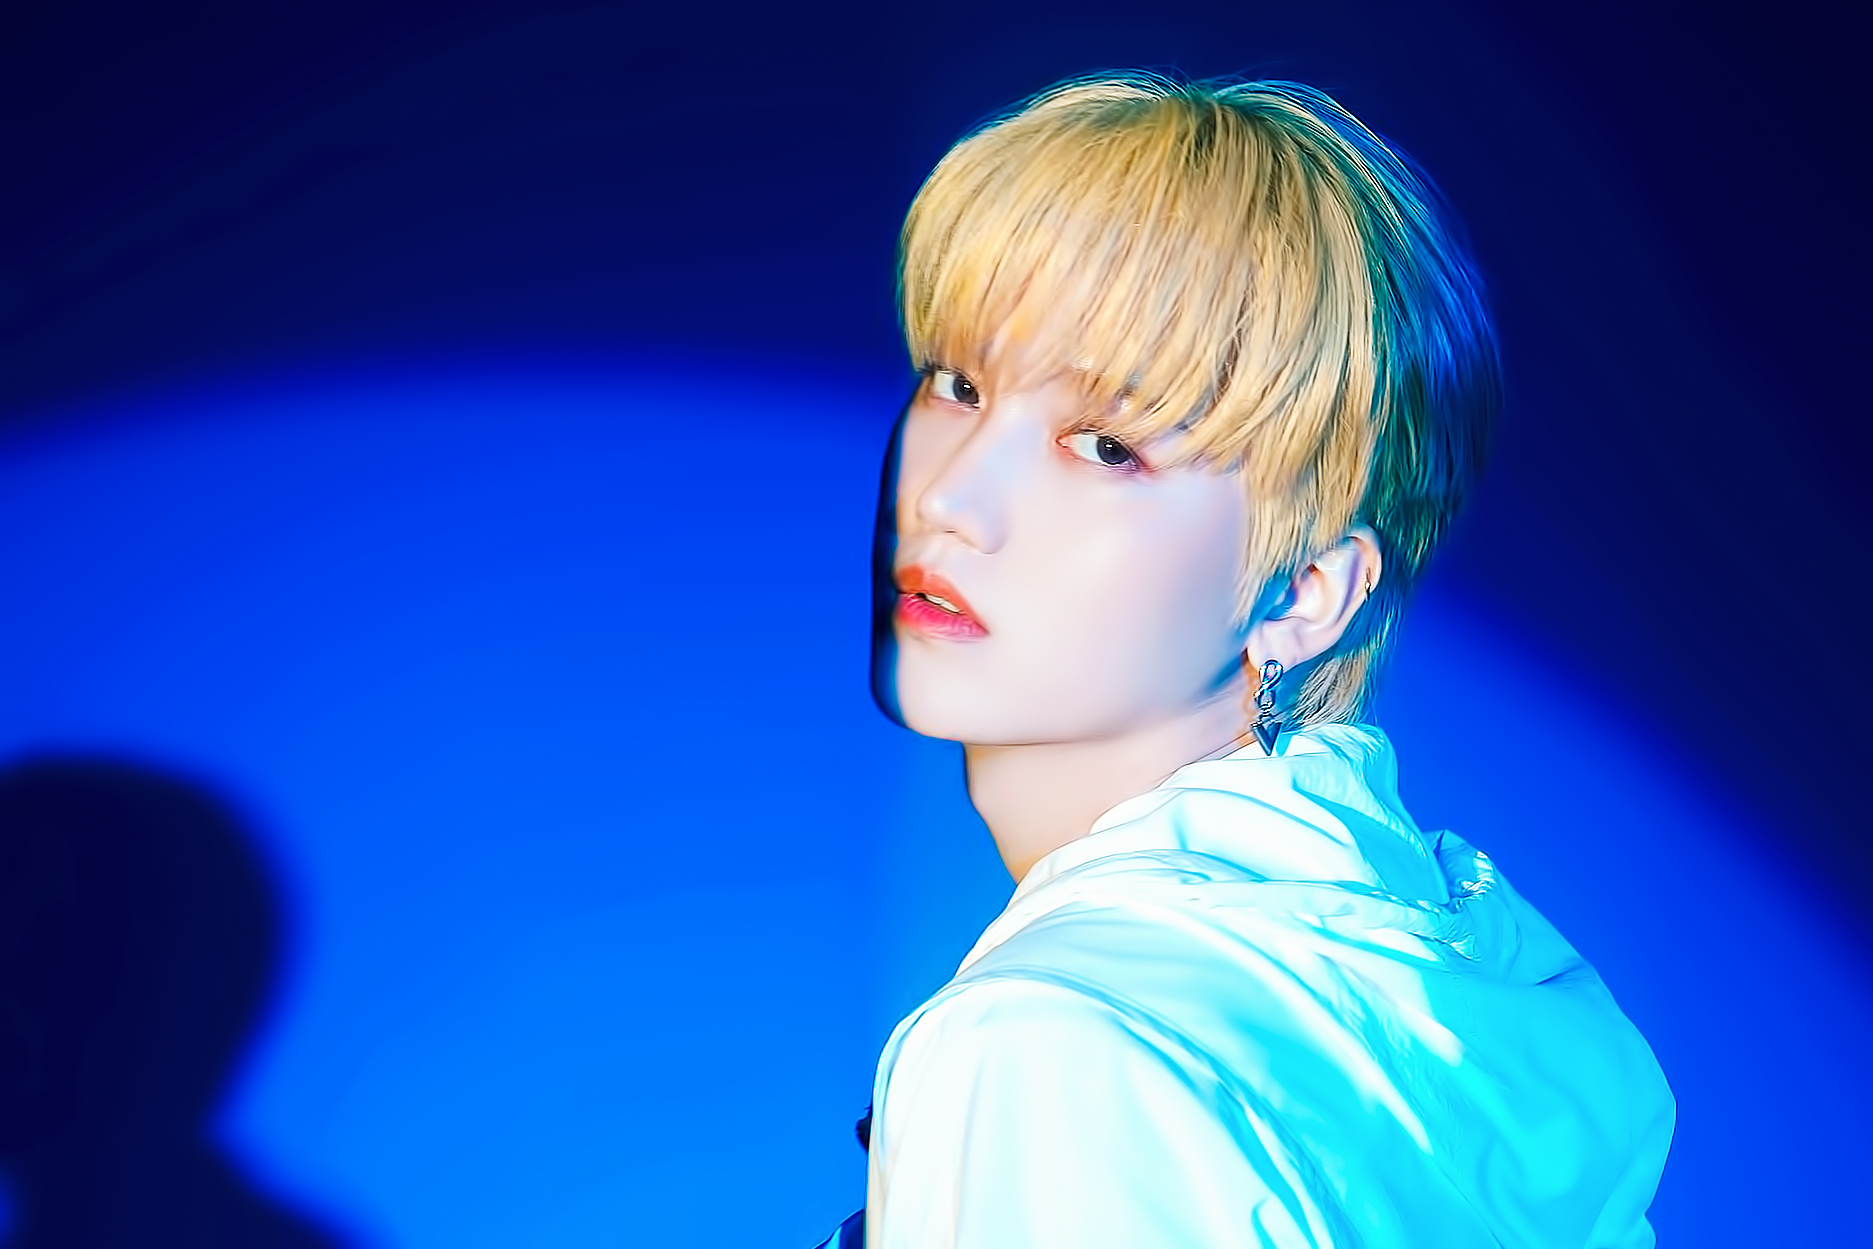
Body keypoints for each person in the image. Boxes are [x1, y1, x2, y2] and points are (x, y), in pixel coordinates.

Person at [821, 72, 1673, 1248]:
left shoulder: (1049, 1043)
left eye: (1105, 446)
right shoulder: (1456, 986)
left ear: (1305, 593)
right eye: (957, 384)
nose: (950, 497)